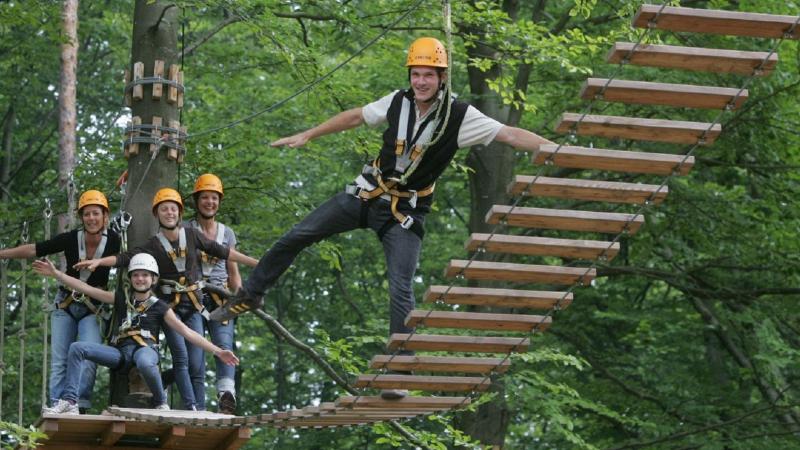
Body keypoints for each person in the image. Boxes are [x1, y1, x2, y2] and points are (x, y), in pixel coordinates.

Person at [209, 37, 557, 398]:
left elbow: (511, 134)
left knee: (401, 285)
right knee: (298, 234)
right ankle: (251, 294)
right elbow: (357, 115)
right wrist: (309, 134)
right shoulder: (396, 101)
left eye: (429, 75)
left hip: (404, 211)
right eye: (416, 74)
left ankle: (401, 368)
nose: (421, 82)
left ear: (442, 78)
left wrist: (554, 149)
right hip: (367, 193)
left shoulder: (460, 116)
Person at [74, 188, 258, 411]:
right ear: (157, 214)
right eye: (164, 209)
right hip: (169, 307)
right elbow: (125, 258)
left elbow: (223, 252)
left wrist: (256, 263)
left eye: (173, 209)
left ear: (179, 213)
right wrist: (98, 262)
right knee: (182, 361)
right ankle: (193, 408)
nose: (169, 213)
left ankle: (192, 404)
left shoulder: (191, 236)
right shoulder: (153, 245)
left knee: (196, 364)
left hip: (193, 306)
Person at [34, 253, 239, 415]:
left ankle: (161, 402)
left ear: (153, 279)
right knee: (77, 348)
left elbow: (187, 332)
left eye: (145, 275)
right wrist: (58, 275)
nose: (140, 279)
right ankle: (70, 401)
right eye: (136, 275)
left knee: (144, 362)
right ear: (130, 278)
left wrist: (218, 351)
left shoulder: (160, 307)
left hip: (145, 350)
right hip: (122, 354)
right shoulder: (121, 299)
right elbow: (87, 289)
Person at [0, 190, 121, 413]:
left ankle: (79, 406)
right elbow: (37, 248)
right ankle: (57, 406)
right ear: (81, 217)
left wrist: (101, 261)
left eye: (96, 213)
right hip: (66, 303)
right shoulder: (71, 238)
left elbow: (128, 257)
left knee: (89, 360)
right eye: (86, 214)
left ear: (105, 216)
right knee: (60, 362)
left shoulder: (114, 239)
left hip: (93, 307)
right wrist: (3, 253)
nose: (91, 218)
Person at [183, 174, 240, 414]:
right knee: (196, 354)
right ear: (196, 201)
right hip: (192, 298)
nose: (209, 202)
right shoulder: (185, 229)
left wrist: (241, 298)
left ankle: (227, 395)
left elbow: (233, 271)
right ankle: (198, 406)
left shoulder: (227, 233)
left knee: (224, 345)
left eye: (214, 198)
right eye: (204, 197)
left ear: (219, 202)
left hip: (220, 299)